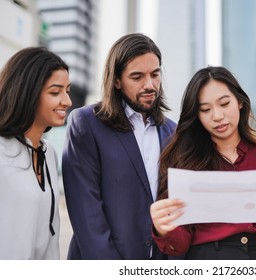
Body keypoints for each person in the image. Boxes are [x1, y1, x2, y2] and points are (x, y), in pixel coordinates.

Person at [150, 66, 256, 260]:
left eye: (224, 104)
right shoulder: (185, 164)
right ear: (197, 116)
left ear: (240, 103)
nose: (217, 116)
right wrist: (162, 229)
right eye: (205, 109)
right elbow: (179, 243)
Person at [62, 33, 176, 259]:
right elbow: (87, 215)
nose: (149, 85)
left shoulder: (174, 133)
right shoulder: (86, 123)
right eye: (137, 77)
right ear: (116, 81)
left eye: (155, 74)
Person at [0, 47, 72, 259]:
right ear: (27, 93)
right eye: (55, 92)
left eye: (67, 90)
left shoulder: (49, 154)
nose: (67, 101)